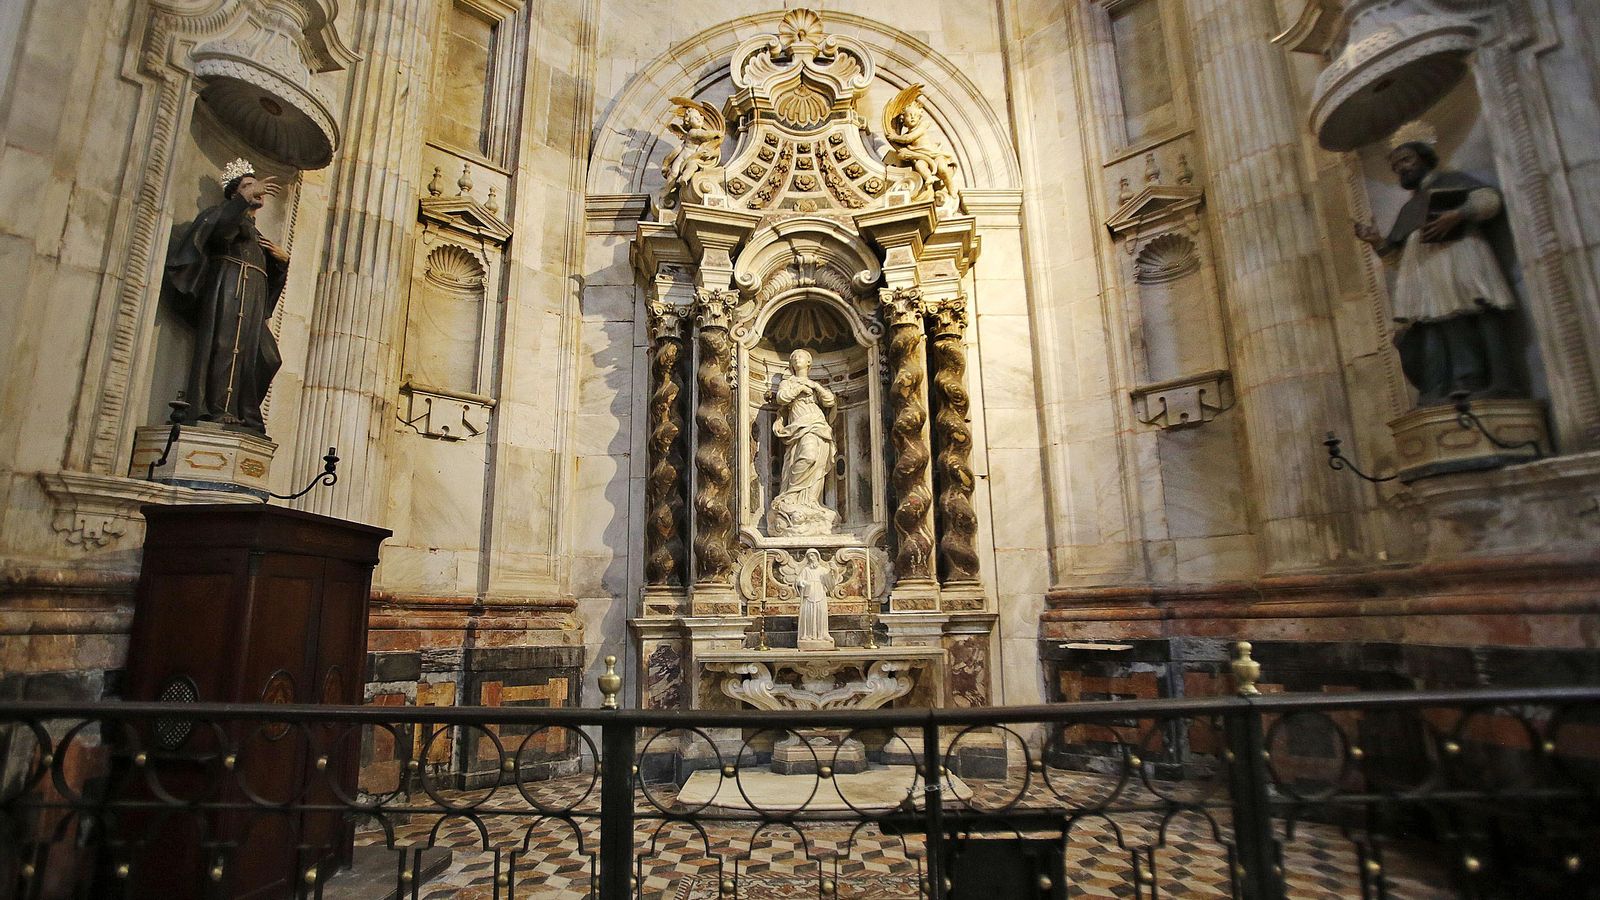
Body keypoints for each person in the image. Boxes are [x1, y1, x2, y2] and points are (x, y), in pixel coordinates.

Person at [1355, 141, 1520, 406]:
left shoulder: (1451, 180)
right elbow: (1398, 259)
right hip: (1426, 276)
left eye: (1406, 160)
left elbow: (1490, 200)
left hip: (1459, 260)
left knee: (1472, 316)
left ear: (1424, 158)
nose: (1401, 169)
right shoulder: (1410, 207)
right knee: (1436, 329)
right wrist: (1376, 241)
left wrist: (1458, 214)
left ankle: (1485, 381)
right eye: (1396, 166)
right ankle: (1450, 383)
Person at [163, 158, 289, 434]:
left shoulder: (257, 235)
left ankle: (246, 411)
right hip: (228, 287)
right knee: (224, 344)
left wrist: (281, 262)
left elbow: (270, 280)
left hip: (252, 294)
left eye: (254, 185)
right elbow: (219, 235)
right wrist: (240, 204)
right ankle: (218, 409)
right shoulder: (222, 216)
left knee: (267, 357)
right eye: (247, 186)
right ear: (235, 194)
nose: (255, 190)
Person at [769, 349, 839, 536]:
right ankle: (791, 495)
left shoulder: (815, 384)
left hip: (818, 425)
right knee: (807, 456)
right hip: (799, 425)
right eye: (793, 358)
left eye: (800, 356)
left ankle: (811, 501)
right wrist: (799, 388)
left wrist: (816, 387)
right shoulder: (788, 382)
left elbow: (830, 401)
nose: (796, 359)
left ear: (809, 362)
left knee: (818, 463)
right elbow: (781, 398)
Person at [792, 549, 835, 651]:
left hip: (820, 593)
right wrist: (802, 583)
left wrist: (834, 571)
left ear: (817, 557)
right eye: (809, 556)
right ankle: (808, 635)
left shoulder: (823, 570)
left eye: (812, 556)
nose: (811, 558)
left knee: (821, 613)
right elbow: (798, 580)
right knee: (809, 614)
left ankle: (822, 634)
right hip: (809, 594)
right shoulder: (806, 570)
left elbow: (830, 583)